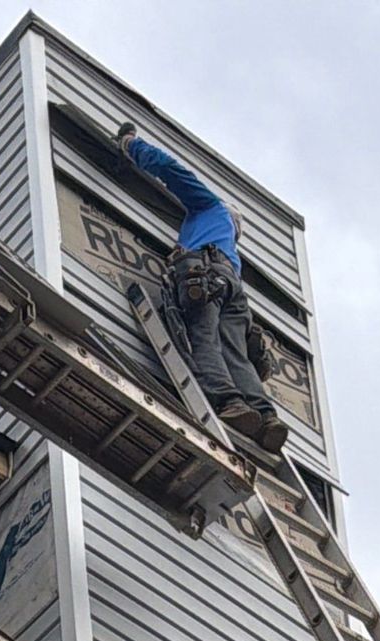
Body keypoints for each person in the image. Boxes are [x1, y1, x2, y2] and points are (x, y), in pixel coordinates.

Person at [114, 124, 288, 455]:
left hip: (204, 273)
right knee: (235, 353)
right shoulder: (234, 254)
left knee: (203, 337)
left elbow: (172, 171)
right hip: (232, 288)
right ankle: (266, 417)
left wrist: (130, 145)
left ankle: (229, 402)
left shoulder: (211, 209)